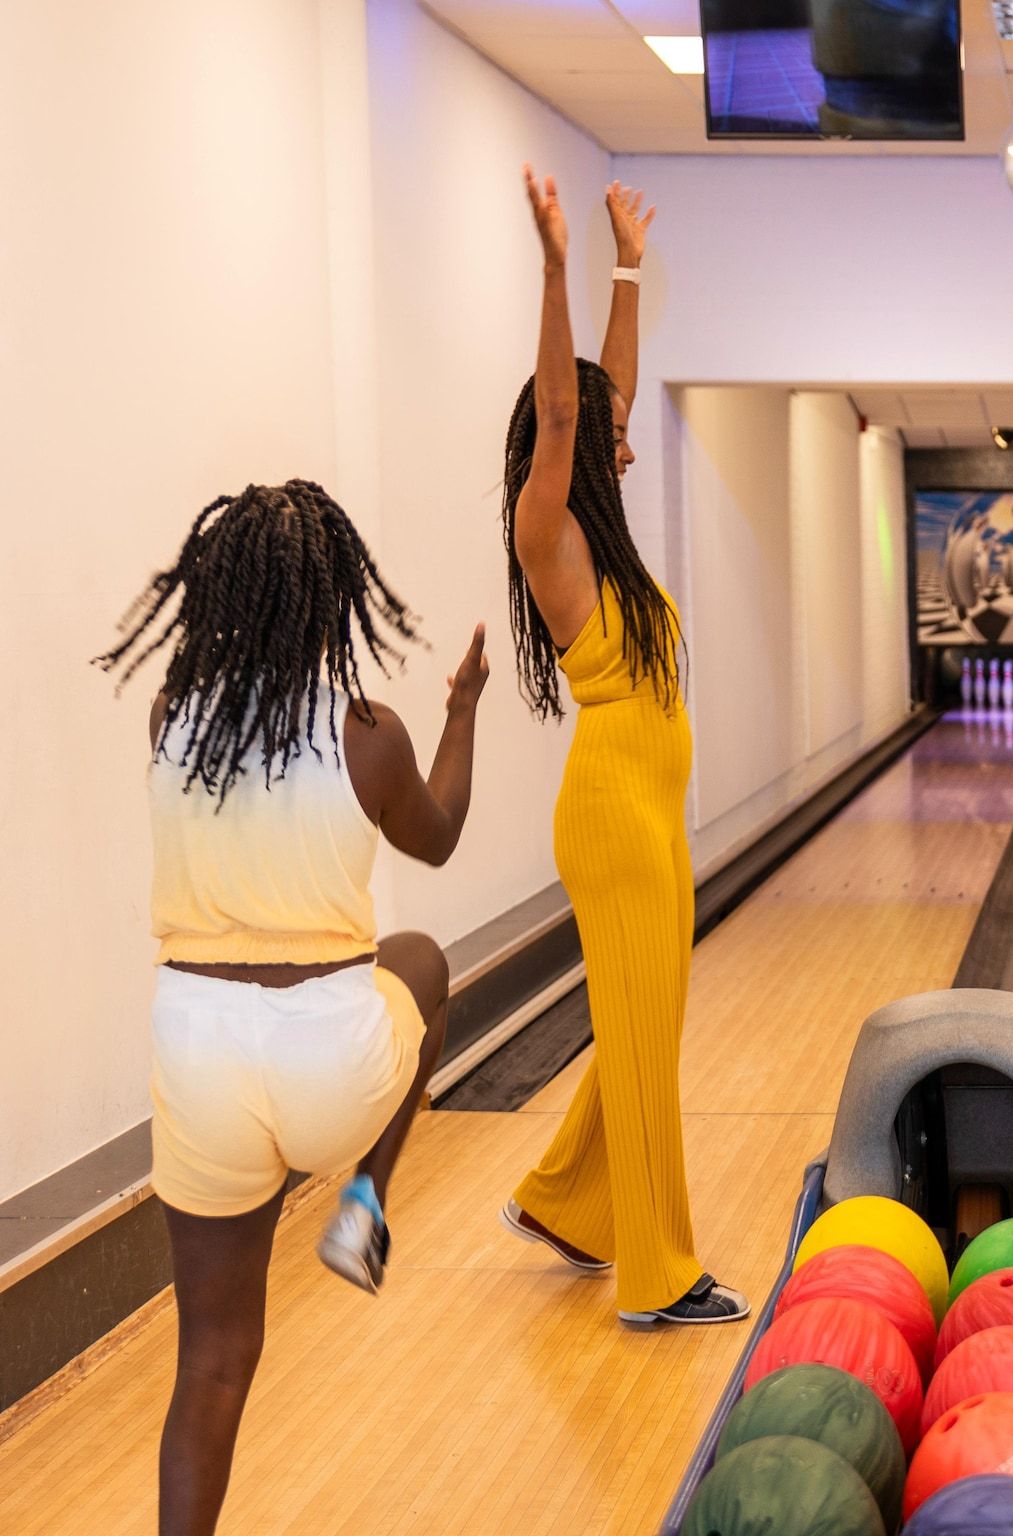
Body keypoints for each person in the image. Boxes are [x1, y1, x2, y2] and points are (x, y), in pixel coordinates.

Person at [97, 481, 487, 1534]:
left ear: (220, 595)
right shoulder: (369, 732)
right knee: (420, 960)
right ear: (330, 601)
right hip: (332, 1058)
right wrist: (461, 713)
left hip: (198, 1053)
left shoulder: (171, 716)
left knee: (213, 1360)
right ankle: (364, 1205)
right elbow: (440, 836)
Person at [495, 168, 747, 1327]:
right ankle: (656, 1275)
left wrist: (628, 268)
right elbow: (566, 411)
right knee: (643, 1043)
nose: (627, 444)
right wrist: (555, 270)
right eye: (613, 434)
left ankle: (566, 1201)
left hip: (648, 809)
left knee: (646, 1028)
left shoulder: (597, 532)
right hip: (612, 814)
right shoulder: (544, 529)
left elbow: (603, 390)